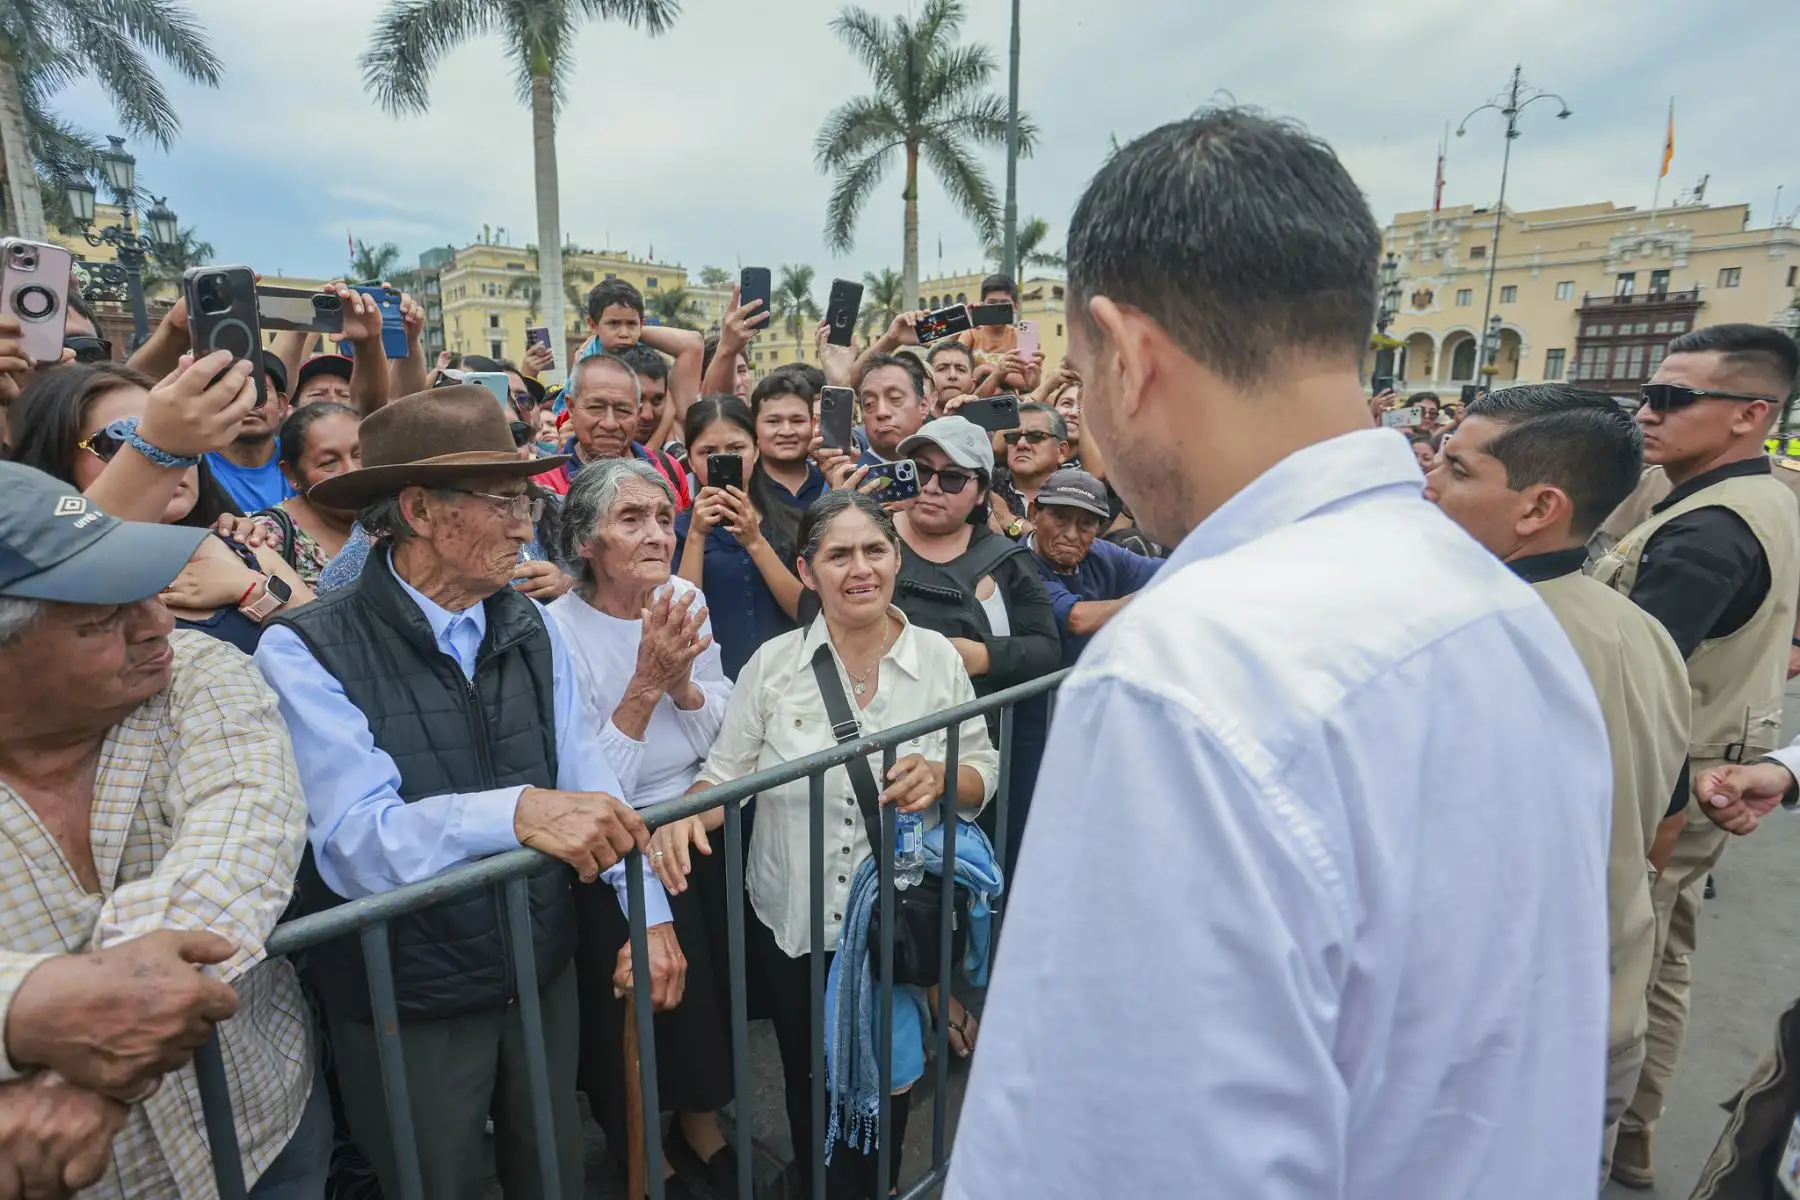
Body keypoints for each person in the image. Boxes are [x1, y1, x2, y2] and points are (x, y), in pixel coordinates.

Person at [949, 109, 1613, 1200]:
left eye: (1078, 379)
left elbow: (1109, 1161)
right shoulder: (1498, 609)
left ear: (1125, 353)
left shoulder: (1188, 672)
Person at [252, 386, 679, 1200]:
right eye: (505, 502)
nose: (528, 525)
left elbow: (587, 776)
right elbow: (355, 846)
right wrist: (516, 810)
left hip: (539, 968)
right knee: (434, 1180)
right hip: (409, 995)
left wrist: (647, 915)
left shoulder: (527, 624)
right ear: (418, 509)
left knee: (551, 1166)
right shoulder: (305, 650)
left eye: (527, 501)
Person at [652, 490, 999, 1200]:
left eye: (874, 551)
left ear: (896, 560)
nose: (859, 568)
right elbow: (726, 779)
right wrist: (681, 820)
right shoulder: (773, 666)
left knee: (885, 1094)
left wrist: (940, 776)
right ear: (807, 572)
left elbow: (984, 773)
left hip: (893, 927)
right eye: (838, 554)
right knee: (811, 1086)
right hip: (798, 926)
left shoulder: (937, 660)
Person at [0, 460, 326, 1198]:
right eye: (101, 620)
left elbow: (242, 832)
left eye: (144, 588)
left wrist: (71, 1064)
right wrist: (25, 1003)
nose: (156, 626)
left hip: (261, 1130)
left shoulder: (199, 672)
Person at [1422, 384, 1691, 1177]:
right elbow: (1663, 828)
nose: (1428, 485)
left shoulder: (1464, 640)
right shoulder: (1642, 632)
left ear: (1539, 506)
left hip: (1488, 1051)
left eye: (1457, 470)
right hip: (1603, 1017)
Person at [1590, 322, 1800, 1189]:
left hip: (1671, 781)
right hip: (1715, 756)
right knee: (1666, 958)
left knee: (1623, 966)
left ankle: (1602, 1141)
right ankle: (1635, 1136)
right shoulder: (1751, 497)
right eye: (1649, 393)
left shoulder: (1710, 528)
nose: (1647, 412)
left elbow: (1643, 682)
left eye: (1675, 399)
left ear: (1752, 414)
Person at [546, 459, 736, 1199]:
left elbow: (720, 720)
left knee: (707, 987)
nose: (658, 533)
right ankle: (637, 1141)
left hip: (696, 814)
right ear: (585, 542)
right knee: (627, 1002)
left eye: (664, 516)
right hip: (611, 836)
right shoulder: (555, 630)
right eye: (631, 520)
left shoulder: (683, 597)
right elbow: (587, 777)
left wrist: (684, 683)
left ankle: (701, 1120)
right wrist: (647, 681)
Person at [7, 362, 313, 653]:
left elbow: (337, 650)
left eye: (183, 436)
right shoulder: (34, 585)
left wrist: (253, 590)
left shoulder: (245, 544)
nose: (173, 460)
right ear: (56, 455)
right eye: (118, 438)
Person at [890, 416, 1060, 877]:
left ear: (982, 492)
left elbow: (1047, 649)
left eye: (951, 478)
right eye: (920, 470)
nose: (930, 487)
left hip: (970, 760)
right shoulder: (867, 538)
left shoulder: (1007, 561)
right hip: (873, 753)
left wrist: (979, 656)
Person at [674, 397, 802, 679]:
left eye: (736, 448)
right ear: (691, 460)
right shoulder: (677, 531)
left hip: (786, 678)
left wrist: (755, 542)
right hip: (710, 683)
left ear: (756, 450)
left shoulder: (791, 518)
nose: (724, 459)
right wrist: (696, 535)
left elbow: (806, 611)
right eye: (708, 452)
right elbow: (680, 623)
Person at [1026, 468, 1160, 666]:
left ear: (1097, 528)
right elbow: (1078, 619)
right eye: (1060, 518)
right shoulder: (1018, 566)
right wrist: (1155, 596)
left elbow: (1171, 569)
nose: (1071, 534)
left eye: (1086, 524)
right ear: (1034, 514)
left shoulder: (1099, 551)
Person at [541, 352, 691, 507]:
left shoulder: (669, 469)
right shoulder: (543, 482)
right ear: (571, 409)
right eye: (596, 408)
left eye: (623, 410)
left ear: (637, 413)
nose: (610, 424)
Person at [251, 402, 362, 585]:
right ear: (291, 474)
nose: (351, 470)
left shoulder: (397, 519)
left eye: (360, 454)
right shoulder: (266, 538)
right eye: (328, 462)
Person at [200, 351, 298, 512]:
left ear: (282, 405)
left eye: (260, 391)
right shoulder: (193, 465)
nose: (250, 402)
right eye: (235, 392)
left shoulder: (302, 458)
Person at [989, 402, 1070, 538]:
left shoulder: (1078, 490)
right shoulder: (986, 484)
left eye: (1036, 436)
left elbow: (1078, 546)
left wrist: (1012, 522)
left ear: (1061, 451)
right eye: (1013, 437)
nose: (1021, 444)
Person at [752, 371, 828, 509]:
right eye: (773, 421)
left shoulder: (829, 482)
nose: (786, 431)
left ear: (813, 423)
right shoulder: (743, 489)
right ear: (754, 426)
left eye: (797, 420)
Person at [955, 273, 1042, 394]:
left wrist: (986, 368)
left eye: (1004, 303)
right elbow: (958, 370)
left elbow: (1026, 383)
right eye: (992, 303)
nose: (997, 308)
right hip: (975, 398)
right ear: (982, 304)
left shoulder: (1020, 337)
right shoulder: (971, 335)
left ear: (1015, 306)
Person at [853, 353, 929, 467]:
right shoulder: (848, 472)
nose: (881, 412)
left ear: (923, 406)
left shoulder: (951, 465)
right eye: (869, 403)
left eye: (895, 398)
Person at [927, 341, 977, 414]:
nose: (952, 375)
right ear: (927, 380)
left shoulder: (985, 420)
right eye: (942, 368)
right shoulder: (913, 420)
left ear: (973, 384)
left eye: (961, 370)